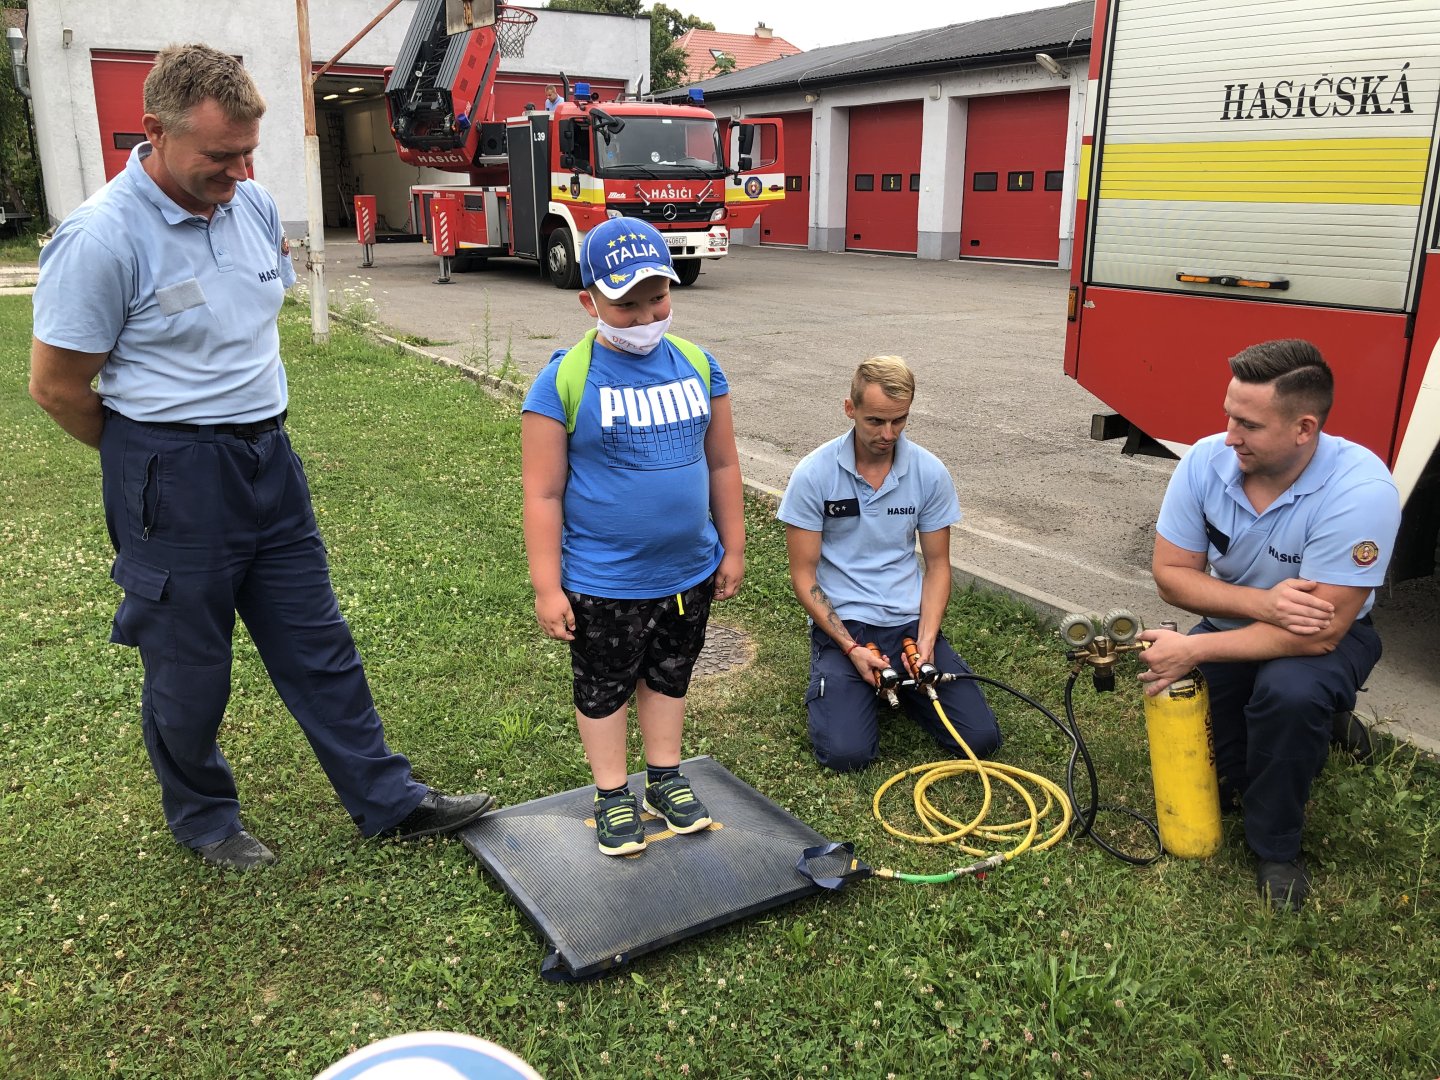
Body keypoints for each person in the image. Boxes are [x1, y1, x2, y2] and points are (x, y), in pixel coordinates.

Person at [27, 44, 493, 872]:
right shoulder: (100, 238)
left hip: (270, 459)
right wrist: (156, 463)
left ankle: (387, 799)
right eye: (218, 155)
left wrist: (239, 443)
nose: (239, 171)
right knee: (189, 667)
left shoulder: (252, 205)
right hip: (172, 473)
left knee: (318, 641)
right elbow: (58, 387)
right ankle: (205, 819)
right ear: (154, 133)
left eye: (248, 152)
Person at [1137, 339, 1400, 912]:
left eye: (1249, 425)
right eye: (1229, 414)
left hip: (1327, 637)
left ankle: (1277, 847)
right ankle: (1330, 724)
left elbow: (1321, 632)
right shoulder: (1206, 461)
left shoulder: (1362, 492)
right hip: (1247, 620)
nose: (1229, 435)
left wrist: (1197, 650)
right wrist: (1262, 606)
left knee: (1285, 694)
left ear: (1304, 428)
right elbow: (1171, 575)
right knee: (1227, 781)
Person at [520, 216, 744, 857]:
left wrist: (732, 546)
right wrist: (546, 586)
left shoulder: (700, 366)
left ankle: (665, 778)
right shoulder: (564, 380)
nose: (646, 315)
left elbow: (724, 464)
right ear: (589, 301)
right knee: (604, 683)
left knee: (671, 675)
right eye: (626, 304)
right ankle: (613, 790)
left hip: (687, 574)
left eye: (657, 298)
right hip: (604, 579)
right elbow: (543, 492)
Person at [777, 357, 1001, 771]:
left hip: (909, 628)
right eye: (876, 421)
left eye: (899, 421)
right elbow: (803, 576)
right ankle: (855, 679)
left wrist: (927, 639)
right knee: (847, 755)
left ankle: (903, 685)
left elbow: (937, 566)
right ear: (850, 409)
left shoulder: (929, 472)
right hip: (846, 627)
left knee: (981, 740)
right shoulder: (814, 475)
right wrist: (850, 647)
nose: (888, 434)